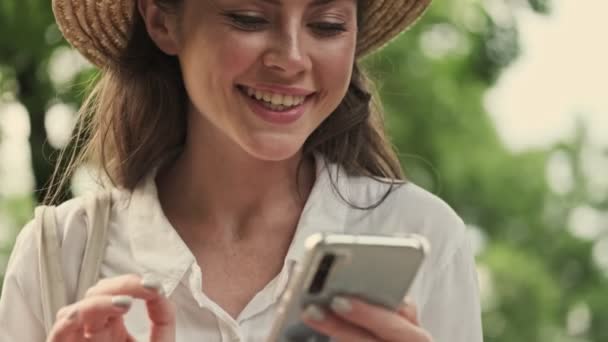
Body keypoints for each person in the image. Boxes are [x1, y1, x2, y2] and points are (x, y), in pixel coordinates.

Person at [0, 0, 483, 341]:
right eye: (249, 18)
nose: (291, 58)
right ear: (162, 22)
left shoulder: (424, 237)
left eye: (329, 24)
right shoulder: (60, 254)